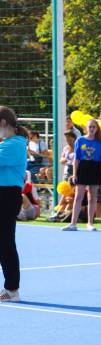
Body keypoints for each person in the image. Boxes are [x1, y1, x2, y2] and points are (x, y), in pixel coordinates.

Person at [0, 106, 28, 302]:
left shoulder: (15, 144)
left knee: (5, 242)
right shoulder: (8, 143)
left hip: (7, 196)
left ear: (3, 123)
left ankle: (12, 289)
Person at [63, 118, 101, 231]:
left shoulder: (100, 142)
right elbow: (76, 159)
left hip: (95, 168)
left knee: (93, 197)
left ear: (97, 128)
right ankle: (73, 223)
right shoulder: (80, 140)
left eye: (94, 127)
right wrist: (74, 174)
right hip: (83, 168)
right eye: (90, 127)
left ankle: (90, 223)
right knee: (78, 196)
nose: (92, 129)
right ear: (86, 128)